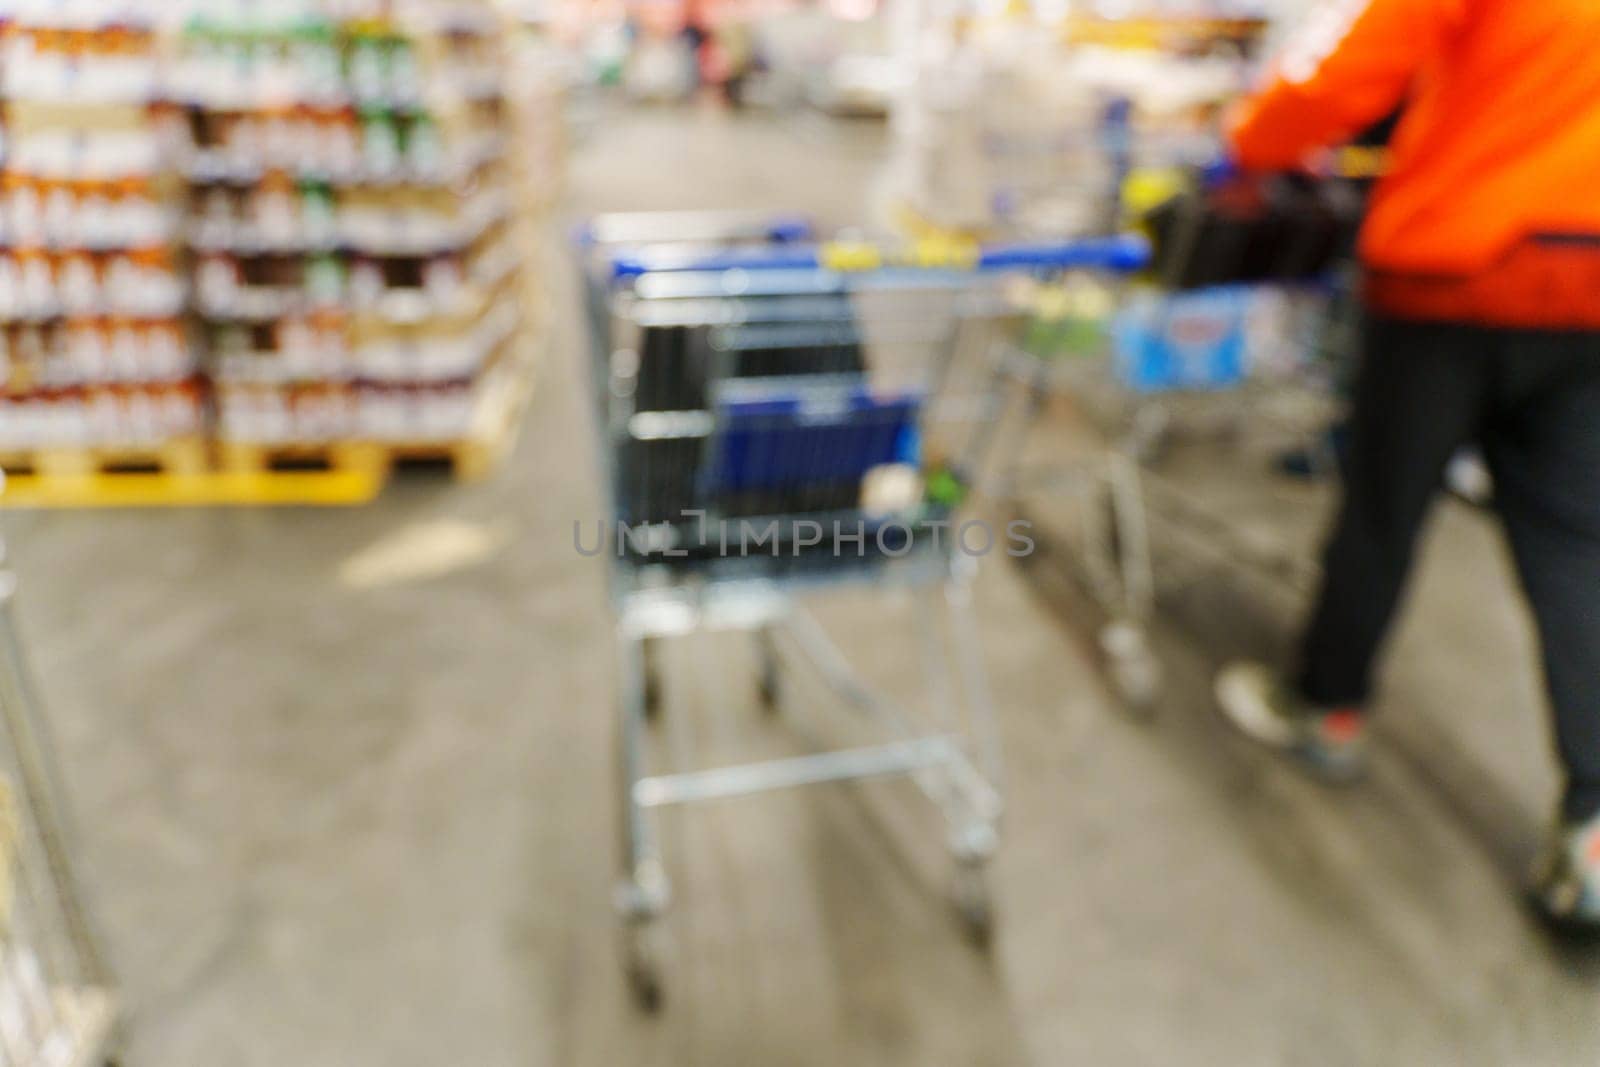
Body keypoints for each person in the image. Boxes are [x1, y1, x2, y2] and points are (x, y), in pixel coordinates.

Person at [1212, 0, 1600, 932]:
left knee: (1383, 510)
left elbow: (1350, 70)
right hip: (1585, 285)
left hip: (1453, 271)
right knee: (1576, 544)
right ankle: (1593, 827)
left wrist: (1252, 138)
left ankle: (1327, 705)